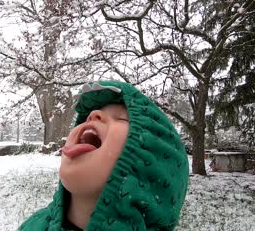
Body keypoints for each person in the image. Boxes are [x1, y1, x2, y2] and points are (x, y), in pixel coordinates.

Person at [19, 81, 189, 230]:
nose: (93, 115)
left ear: (149, 170)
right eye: (88, 117)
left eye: (120, 118)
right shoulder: (33, 225)